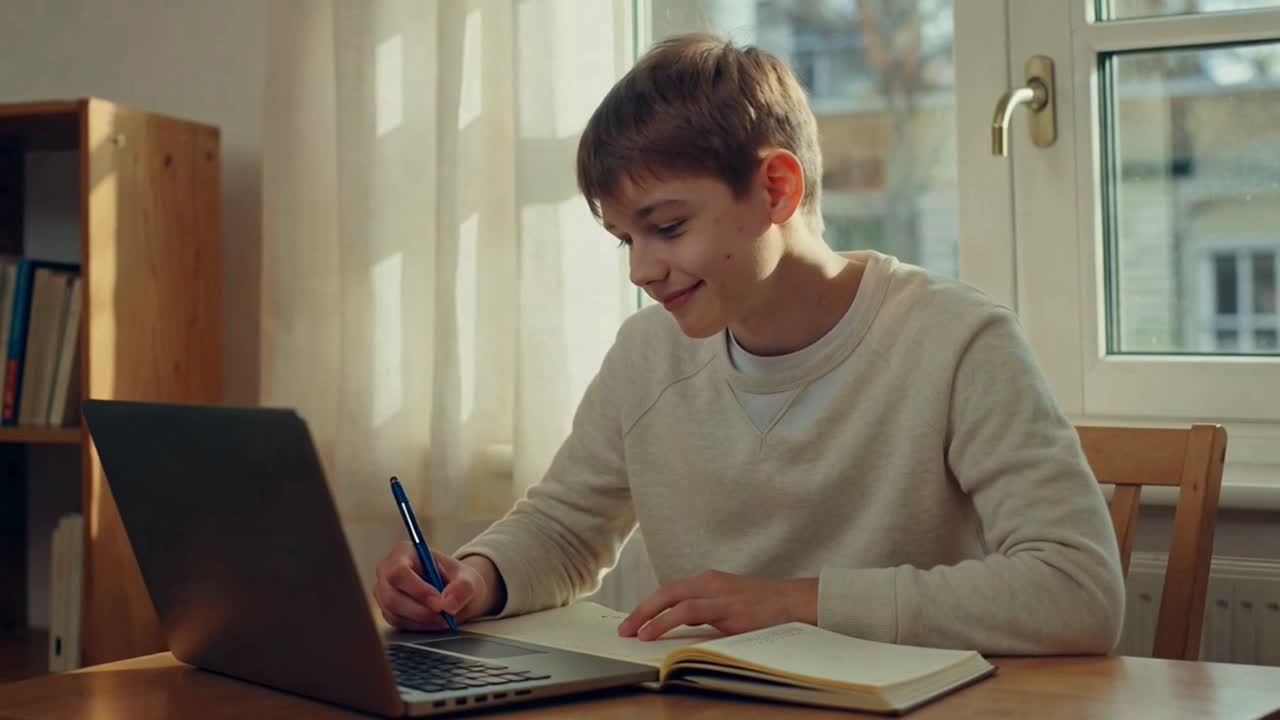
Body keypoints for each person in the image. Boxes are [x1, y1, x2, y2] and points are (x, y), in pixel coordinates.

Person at [373, 33, 1125, 654]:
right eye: (624, 239)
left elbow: (1077, 588)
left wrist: (795, 603)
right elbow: (566, 528)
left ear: (776, 190)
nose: (641, 269)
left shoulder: (958, 341)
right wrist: (476, 577)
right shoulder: (648, 354)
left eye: (667, 228)